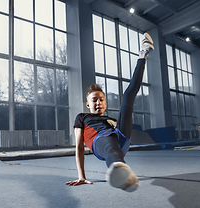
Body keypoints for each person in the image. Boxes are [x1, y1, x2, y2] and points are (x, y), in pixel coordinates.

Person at [66, 33, 154, 192]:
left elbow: (120, 130)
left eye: (101, 99)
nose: (98, 103)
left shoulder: (111, 119)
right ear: (87, 105)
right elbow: (79, 146)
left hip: (120, 138)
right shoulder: (82, 117)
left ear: (105, 103)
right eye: (94, 100)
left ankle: (143, 55)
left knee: (128, 96)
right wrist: (82, 176)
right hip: (99, 141)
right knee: (109, 144)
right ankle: (121, 170)